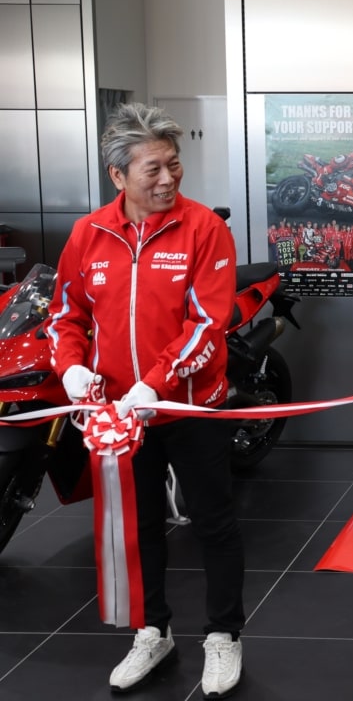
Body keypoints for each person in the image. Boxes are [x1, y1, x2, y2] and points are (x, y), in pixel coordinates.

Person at [47, 103, 245, 699]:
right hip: (119, 418)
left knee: (213, 523)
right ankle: (151, 631)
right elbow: (66, 314)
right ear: (118, 175)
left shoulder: (204, 228)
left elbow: (207, 323)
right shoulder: (88, 234)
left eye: (174, 165)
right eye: (152, 169)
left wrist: (155, 384)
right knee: (138, 529)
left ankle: (224, 635)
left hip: (191, 408)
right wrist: (71, 367)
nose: (167, 179)